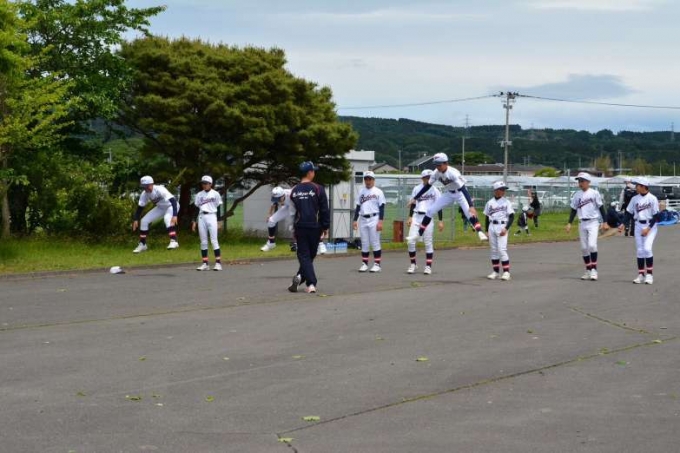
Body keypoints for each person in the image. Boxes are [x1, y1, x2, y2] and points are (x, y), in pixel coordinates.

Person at [406, 153, 488, 243]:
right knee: (430, 211)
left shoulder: (453, 173)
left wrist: (471, 205)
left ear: (446, 163)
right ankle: (419, 234)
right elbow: (427, 186)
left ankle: (480, 232)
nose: (438, 167)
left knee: (469, 213)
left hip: (460, 193)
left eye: (439, 165)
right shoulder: (436, 173)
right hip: (449, 193)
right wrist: (415, 198)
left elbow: (463, 189)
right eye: (436, 165)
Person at [286, 161, 330, 293]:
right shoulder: (318, 188)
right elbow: (324, 210)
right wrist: (325, 227)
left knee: (306, 255)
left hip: (300, 226)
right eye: (313, 171)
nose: (314, 173)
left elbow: (292, 213)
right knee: (309, 255)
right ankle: (311, 284)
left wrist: (292, 229)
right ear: (310, 172)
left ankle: (299, 277)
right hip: (315, 226)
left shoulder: (293, 190)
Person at [565, 172, 609, 281]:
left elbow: (601, 207)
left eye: (582, 181)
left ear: (588, 182)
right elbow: (573, 209)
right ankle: (588, 270)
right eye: (579, 181)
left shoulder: (594, 193)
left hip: (593, 222)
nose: (580, 183)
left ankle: (594, 270)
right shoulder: (577, 195)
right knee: (584, 248)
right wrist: (569, 223)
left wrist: (605, 222)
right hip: (582, 223)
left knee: (592, 246)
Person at [262, 186, 326, 254]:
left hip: (298, 207)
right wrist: (269, 214)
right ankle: (271, 243)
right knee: (271, 221)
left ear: (283, 195)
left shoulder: (292, 195)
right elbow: (273, 204)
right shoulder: (276, 195)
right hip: (287, 206)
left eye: (278, 199)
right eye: (276, 199)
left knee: (297, 226)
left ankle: (320, 243)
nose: (277, 201)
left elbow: (301, 204)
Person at [406, 169, 444, 275]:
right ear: (422, 178)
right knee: (410, 241)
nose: (427, 179)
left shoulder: (435, 190)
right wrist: (410, 217)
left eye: (429, 177)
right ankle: (413, 264)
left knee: (428, 242)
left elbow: (439, 206)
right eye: (425, 177)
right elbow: (413, 203)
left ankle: (428, 266)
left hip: (428, 217)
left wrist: (440, 221)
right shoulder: (416, 188)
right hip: (416, 216)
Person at [625, 177, 660, 285]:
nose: (636, 187)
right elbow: (629, 213)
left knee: (647, 249)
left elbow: (656, 216)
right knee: (640, 251)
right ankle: (641, 275)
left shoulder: (652, 198)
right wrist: (623, 224)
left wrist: (648, 229)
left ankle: (649, 275)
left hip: (650, 226)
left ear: (643, 186)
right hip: (638, 225)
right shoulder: (634, 198)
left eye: (637, 185)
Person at [132, 176, 179, 253]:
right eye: (143, 186)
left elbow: (173, 201)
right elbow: (140, 207)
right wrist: (136, 219)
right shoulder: (144, 194)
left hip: (171, 206)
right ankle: (143, 244)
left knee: (167, 218)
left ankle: (174, 241)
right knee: (144, 221)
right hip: (161, 208)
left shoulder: (160, 189)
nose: (145, 188)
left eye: (146, 186)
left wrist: (174, 215)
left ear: (151, 184)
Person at [353, 171, 386, 272]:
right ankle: (365, 264)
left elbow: (382, 207)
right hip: (363, 218)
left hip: (374, 218)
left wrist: (380, 221)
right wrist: (355, 220)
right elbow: (358, 206)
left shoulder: (378, 191)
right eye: (366, 179)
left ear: (373, 180)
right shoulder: (361, 191)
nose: (368, 181)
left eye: (370, 179)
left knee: (375, 242)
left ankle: (377, 264)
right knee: (364, 242)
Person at [484, 181, 515, 281]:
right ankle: (496, 272)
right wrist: (486, 231)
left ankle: (506, 272)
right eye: (501, 189)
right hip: (492, 226)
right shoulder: (489, 202)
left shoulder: (506, 202)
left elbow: (512, 216)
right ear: (496, 190)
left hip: (502, 226)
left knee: (502, 249)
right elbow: (486, 217)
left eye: (504, 189)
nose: (503, 191)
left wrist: (506, 228)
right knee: (494, 250)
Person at [191, 176, 223, 271]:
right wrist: (194, 221)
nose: (204, 185)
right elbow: (196, 208)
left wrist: (219, 221)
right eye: (203, 183)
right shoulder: (199, 194)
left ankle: (218, 263)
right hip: (201, 217)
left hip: (212, 216)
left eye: (206, 183)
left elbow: (218, 208)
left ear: (210, 184)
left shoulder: (215, 194)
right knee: (203, 241)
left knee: (214, 240)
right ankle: (205, 264)